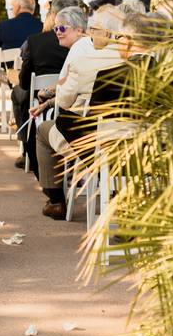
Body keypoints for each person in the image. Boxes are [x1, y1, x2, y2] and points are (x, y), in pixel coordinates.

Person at [39, 13, 158, 218]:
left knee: (63, 122)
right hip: (152, 156)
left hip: (112, 156)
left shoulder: (108, 76)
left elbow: (87, 115)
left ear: (128, 41)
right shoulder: (168, 73)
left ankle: (58, 198)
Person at [10, 0, 79, 174]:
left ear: (54, 14)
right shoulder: (84, 44)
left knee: (19, 92)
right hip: (72, 102)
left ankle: (26, 147)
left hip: (44, 98)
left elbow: (25, 82)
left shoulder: (35, 41)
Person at [0, 0, 42, 123]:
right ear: (33, 9)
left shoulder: (3, 26)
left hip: (9, 76)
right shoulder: (41, 26)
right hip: (34, 76)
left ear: (17, 7)